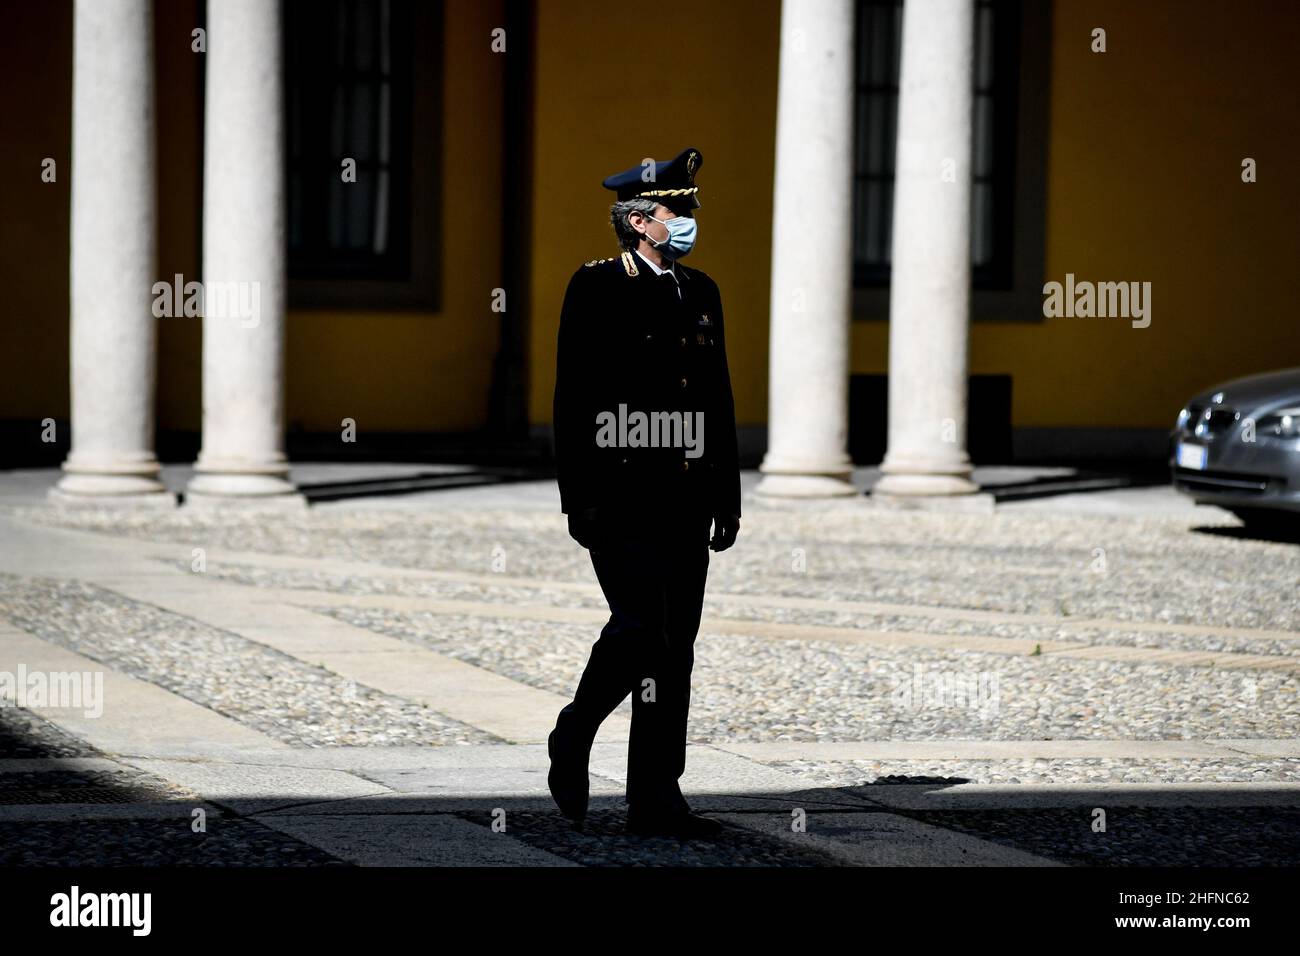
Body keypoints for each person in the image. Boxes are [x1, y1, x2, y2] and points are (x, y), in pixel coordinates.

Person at [548, 147, 741, 838]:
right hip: (622, 491)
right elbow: (574, 396)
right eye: (676, 210)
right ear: (638, 220)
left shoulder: (703, 290)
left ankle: (655, 796)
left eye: (688, 208)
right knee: (637, 629)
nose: (687, 220)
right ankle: (574, 731)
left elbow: (715, 397)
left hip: (688, 496)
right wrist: (581, 496)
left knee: (674, 648)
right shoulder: (597, 285)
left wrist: (728, 494)